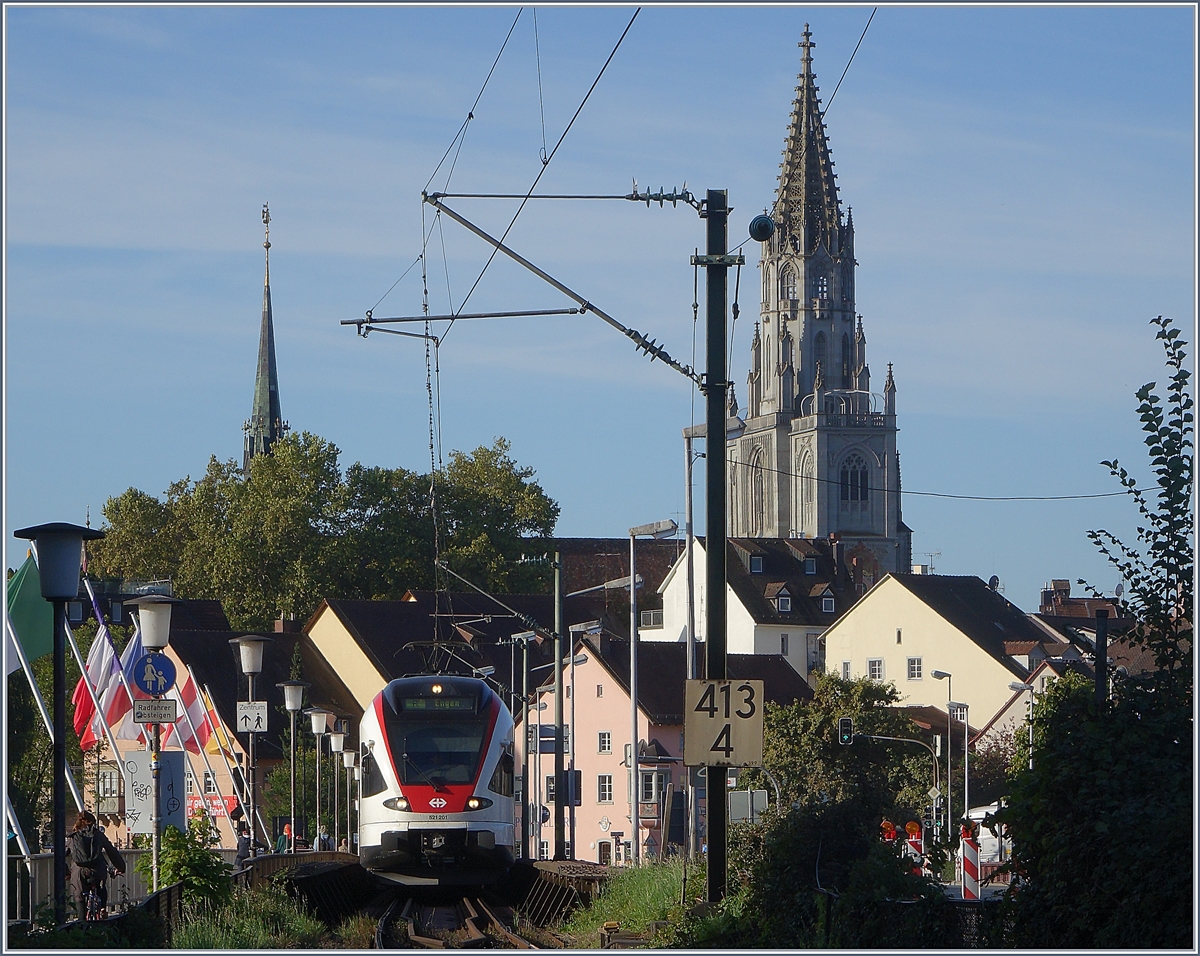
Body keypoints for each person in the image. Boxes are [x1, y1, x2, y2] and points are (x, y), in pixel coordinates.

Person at [69, 810, 125, 920]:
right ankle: (102, 908)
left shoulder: (73, 837)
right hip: (97, 870)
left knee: (79, 896)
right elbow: (111, 851)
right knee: (101, 886)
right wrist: (121, 867)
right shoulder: (98, 835)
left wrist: (66, 872)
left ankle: (81, 920)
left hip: (79, 873)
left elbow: (62, 854)